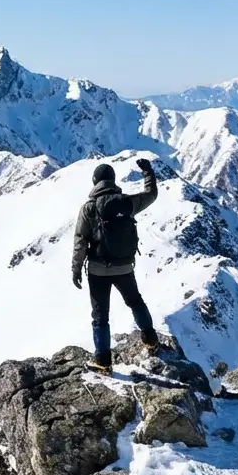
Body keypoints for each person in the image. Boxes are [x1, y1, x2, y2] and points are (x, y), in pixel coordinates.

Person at [72, 158, 160, 374]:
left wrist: (75, 270)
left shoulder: (89, 208)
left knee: (100, 316)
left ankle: (103, 361)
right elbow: (151, 195)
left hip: (97, 270)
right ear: (112, 180)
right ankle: (150, 339)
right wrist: (148, 173)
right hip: (124, 267)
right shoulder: (126, 203)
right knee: (135, 301)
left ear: (95, 182)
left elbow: (80, 241)